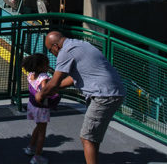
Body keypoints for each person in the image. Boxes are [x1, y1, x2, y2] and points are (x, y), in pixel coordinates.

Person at [36, 31, 126, 164]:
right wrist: (55, 87)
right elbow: (73, 78)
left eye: (50, 50)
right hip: (113, 92)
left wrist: (41, 94)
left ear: (55, 46)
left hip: (103, 95)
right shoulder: (80, 44)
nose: (52, 53)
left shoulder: (65, 52)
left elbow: (54, 82)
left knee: (87, 138)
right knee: (92, 138)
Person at [23, 52, 63, 164]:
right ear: (40, 67)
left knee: (38, 126)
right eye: (46, 65)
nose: (48, 66)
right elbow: (45, 90)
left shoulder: (31, 74)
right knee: (42, 132)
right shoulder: (43, 77)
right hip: (41, 108)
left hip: (32, 105)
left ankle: (30, 147)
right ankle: (37, 156)